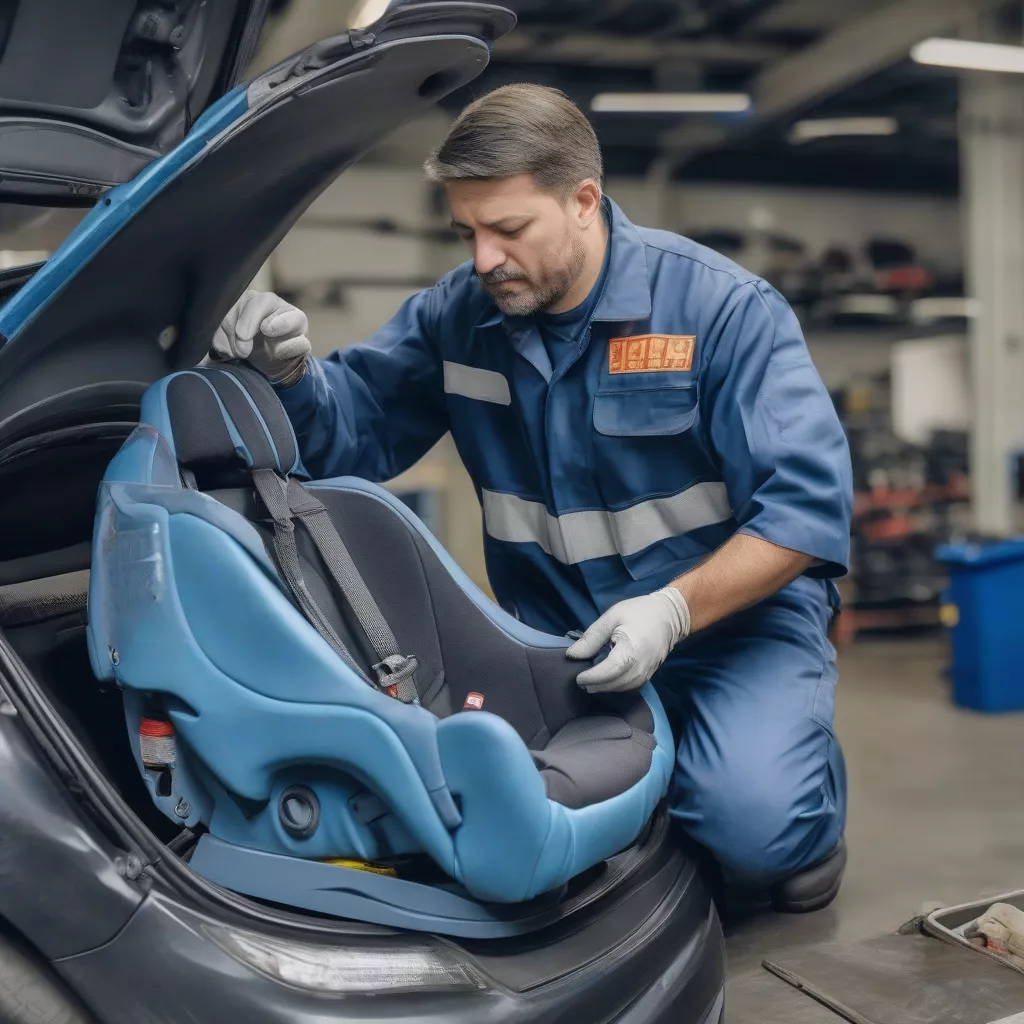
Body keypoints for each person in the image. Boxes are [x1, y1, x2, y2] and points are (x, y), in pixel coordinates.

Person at [210, 84, 853, 913]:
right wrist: (290, 375)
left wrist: (673, 613)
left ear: (583, 201)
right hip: (558, 642)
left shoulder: (721, 312)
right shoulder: (460, 316)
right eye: (468, 232)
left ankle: (806, 791)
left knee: (752, 826)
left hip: (729, 631)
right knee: (485, 823)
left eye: (508, 230)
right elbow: (349, 436)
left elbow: (803, 511)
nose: (483, 259)